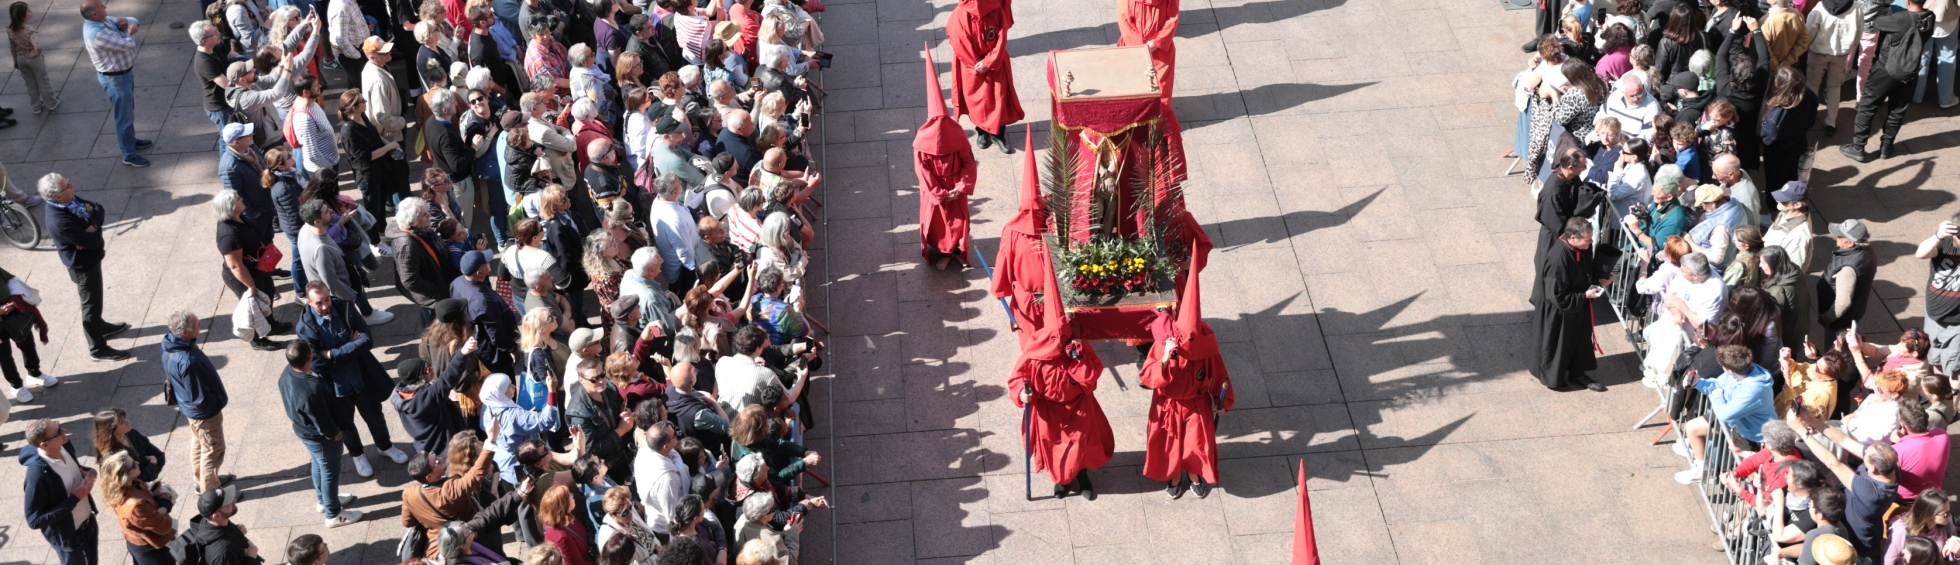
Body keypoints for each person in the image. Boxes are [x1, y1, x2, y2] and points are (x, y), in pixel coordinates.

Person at [297, 280, 411, 478]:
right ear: (308, 302)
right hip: (335, 386)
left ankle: (385, 446)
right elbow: (315, 364)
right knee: (345, 424)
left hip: (361, 378)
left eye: (326, 299)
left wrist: (330, 354)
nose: (324, 306)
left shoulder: (345, 307)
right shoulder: (305, 327)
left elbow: (367, 340)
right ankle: (357, 454)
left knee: (375, 416)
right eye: (318, 303)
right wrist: (349, 347)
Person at [1792, 405, 1903, 561]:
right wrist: (1810, 419)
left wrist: (1803, 433)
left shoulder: (1871, 493)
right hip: (1869, 528)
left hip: (1857, 537)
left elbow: (1832, 463)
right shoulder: (1888, 466)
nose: (1863, 451)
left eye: (1866, 454)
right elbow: (1844, 440)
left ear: (1872, 468)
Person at [39, 173, 131, 361]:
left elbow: (98, 208)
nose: (72, 186)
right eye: (67, 186)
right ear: (57, 196)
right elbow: (94, 242)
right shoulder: (61, 221)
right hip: (83, 266)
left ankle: (100, 327)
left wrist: (92, 224)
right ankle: (97, 348)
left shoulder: (69, 200)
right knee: (90, 305)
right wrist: (91, 227)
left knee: (94, 301)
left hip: (87, 259)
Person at [279, 340, 364, 526]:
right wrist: (336, 433)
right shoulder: (311, 390)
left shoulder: (288, 371)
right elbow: (322, 420)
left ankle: (324, 501)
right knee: (329, 473)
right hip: (320, 438)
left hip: (305, 432)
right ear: (309, 358)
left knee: (318, 465)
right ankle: (333, 514)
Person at [1841, 0, 1934, 162]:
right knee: (1897, 110)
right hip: (1910, 71)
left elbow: (1876, 22)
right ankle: (1886, 147)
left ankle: (1858, 147)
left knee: (1867, 106)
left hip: (1886, 69)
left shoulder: (1900, 18)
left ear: (1908, 1)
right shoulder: (1930, 17)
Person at [159, 310, 236, 495]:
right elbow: (201, 398)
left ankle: (201, 480)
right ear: (184, 332)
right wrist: (218, 402)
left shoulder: (169, 344)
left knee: (199, 444)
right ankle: (211, 492)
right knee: (213, 449)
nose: (201, 324)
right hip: (204, 414)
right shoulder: (188, 361)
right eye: (196, 324)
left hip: (190, 410)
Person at [1674, 345, 1778, 484]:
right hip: (1736, 421)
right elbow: (1717, 384)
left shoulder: (1754, 389)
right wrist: (1698, 382)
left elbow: (1723, 413)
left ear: (1729, 370)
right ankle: (1703, 471)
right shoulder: (1740, 371)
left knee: (1752, 479)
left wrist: (1716, 395)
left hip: (1754, 436)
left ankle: (1748, 502)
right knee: (1692, 427)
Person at [1532, 218, 1614, 392]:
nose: (1591, 242)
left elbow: (1585, 270)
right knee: (1559, 344)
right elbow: (1556, 295)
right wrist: (1584, 295)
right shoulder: (1558, 260)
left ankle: (1577, 373)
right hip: (1560, 311)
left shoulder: (1581, 246)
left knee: (1579, 341)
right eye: (1587, 240)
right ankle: (1553, 378)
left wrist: (1599, 281)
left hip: (1578, 304)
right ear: (1573, 238)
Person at [913, 50, 976, 272]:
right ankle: (943, 251)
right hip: (936, 190)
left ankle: (956, 252)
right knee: (938, 224)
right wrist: (939, 193)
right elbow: (923, 171)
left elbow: (968, 162)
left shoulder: (957, 134)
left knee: (959, 221)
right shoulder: (922, 141)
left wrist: (960, 186)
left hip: (955, 185)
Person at [79, 0, 150, 167]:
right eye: (102, 7)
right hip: (116, 79)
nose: (106, 7)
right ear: (94, 14)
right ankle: (129, 155)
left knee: (127, 112)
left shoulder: (101, 20)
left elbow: (129, 18)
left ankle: (131, 141)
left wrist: (130, 23)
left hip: (123, 75)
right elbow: (128, 44)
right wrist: (127, 30)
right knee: (124, 118)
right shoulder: (97, 33)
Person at [214, 189, 287, 351]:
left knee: (268, 294)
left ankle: (271, 325)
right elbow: (235, 265)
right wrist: (251, 286)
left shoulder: (239, 218)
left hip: (258, 269)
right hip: (244, 276)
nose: (242, 199)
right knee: (254, 308)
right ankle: (258, 340)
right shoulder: (229, 235)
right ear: (231, 207)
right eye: (239, 199)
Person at [21, 419, 99, 565]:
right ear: (45, 444)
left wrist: (90, 472)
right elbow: (34, 520)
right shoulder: (37, 476)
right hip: (70, 538)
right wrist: (74, 499)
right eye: (58, 432)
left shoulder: (64, 446)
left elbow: (72, 468)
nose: (64, 430)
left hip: (88, 523)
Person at [946, 0, 1020, 153]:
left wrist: (989, 61)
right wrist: (975, 64)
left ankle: (998, 135)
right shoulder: (959, 14)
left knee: (999, 98)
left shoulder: (996, 9)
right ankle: (982, 132)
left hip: (995, 64)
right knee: (977, 103)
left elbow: (1001, 37)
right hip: (972, 68)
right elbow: (958, 42)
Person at [403, 441, 498, 556]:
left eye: (435, 455)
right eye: (436, 462)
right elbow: (477, 473)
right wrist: (491, 441)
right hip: (465, 544)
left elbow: (407, 522)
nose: (441, 459)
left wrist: (429, 517)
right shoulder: (450, 490)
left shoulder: (409, 493)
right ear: (429, 476)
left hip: (434, 551)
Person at [567, 358, 636, 485]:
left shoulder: (609, 388)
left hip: (623, 453)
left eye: (602, 375)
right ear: (581, 380)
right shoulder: (579, 414)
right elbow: (591, 450)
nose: (601, 381)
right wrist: (620, 430)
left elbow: (617, 410)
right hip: (606, 467)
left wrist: (625, 412)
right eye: (594, 379)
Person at [97, 452, 173, 565]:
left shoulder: (122, 487)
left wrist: (150, 494)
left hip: (135, 541)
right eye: (133, 464)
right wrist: (164, 502)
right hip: (151, 550)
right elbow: (164, 527)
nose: (138, 463)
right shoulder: (136, 505)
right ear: (124, 475)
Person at [1808, 0, 1863, 137]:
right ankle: (1831, 122)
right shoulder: (1856, 7)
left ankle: (1810, 118)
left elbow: (1810, 30)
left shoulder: (1821, 6)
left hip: (1818, 51)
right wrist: (1851, 47)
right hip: (1841, 53)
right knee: (1834, 87)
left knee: (1812, 84)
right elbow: (1859, 31)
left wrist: (1806, 46)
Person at [1760, 67, 1819, 195]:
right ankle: (1791, 199)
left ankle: (1775, 210)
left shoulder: (1775, 114)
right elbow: (1811, 121)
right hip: (1799, 142)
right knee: (1792, 174)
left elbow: (1768, 137)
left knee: (1775, 182)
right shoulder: (1809, 94)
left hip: (1777, 152)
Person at [1819, 219, 1877, 342]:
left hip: (1839, 322)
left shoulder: (1847, 269)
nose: (1835, 237)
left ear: (1850, 243)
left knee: (1834, 354)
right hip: (1854, 313)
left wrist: (1826, 319)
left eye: (1839, 236)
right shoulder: (1867, 250)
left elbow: (1842, 303)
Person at [1916, 213, 1960, 375]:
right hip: (1934, 316)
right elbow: (1920, 254)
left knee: (1955, 368)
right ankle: (1940, 395)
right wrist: (1938, 235)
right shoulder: (1945, 243)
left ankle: (1954, 399)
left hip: (1957, 323)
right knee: (1935, 359)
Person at [0, 267, 53, 402]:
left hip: (14, 316)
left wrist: (13, 302)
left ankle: (34, 373)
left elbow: (11, 280)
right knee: (5, 357)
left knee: (28, 345)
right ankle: (16, 386)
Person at [635, 418, 685, 539]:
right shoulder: (667, 479)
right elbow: (672, 515)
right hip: (665, 530)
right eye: (674, 436)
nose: (678, 435)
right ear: (666, 446)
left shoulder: (647, 447)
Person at [183, 485, 259, 563]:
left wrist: (235, 532)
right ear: (216, 516)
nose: (234, 501)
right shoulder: (224, 553)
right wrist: (251, 558)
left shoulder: (208, 522)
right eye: (228, 503)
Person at [90, 407, 163, 484]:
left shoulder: (132, 434)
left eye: (125, 418)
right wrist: (153, 463)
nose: (128, 422)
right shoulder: (113, 457)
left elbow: (159, 455)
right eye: (122, 422)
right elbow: (136, 481)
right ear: (112, 430)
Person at [9, 2, 54, 119]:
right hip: (33, 59)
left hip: (20, 58)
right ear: (23, 17)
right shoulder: (30, 30)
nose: (31, 12)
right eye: (29, 11)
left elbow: (12, 48)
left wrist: (16, 61)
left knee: (30, 83)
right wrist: (36, 52)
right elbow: (37, 46)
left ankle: (36, 106)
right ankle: (51, 103)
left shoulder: (10, 30)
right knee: (43, 80)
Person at [541, 484, 596, 565]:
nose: (573, 498)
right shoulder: (562, 539)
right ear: (562, 506)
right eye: (570, 497)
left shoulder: (565, 515)